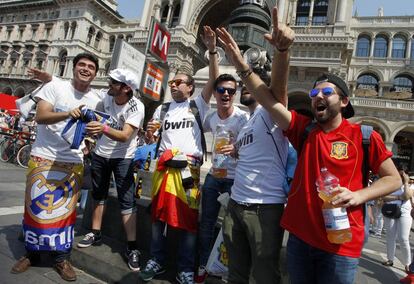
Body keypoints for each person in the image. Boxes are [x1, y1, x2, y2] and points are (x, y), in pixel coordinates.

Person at [217, 6, 402, 284]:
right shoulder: (304, 130)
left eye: (327, 91)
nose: (318, 95)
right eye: (315, 92)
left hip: (341, 245)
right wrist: (242, 66)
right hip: (300, 239)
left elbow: (393, 179)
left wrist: (359, 195)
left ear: (343, 101)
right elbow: (269, 99)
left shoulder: (364, 136)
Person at [11, 52, 104, 281]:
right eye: (81, 64)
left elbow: (97, 128)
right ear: (74, 67)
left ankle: (61, 258)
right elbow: (41, 116)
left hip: (73, 161)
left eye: (90, 67)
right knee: (35, 208)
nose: (85, 69)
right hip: (44, 156)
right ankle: (31, 254)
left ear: (95, 73)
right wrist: (67, 113)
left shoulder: (97, 99)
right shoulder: (54, 86)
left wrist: (92, 139)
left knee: (65, 212)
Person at [139, 26, 218, 284]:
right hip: (162, 170)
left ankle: (185, 267)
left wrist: (212, 51)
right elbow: (152, 137)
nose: (173, 85)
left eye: (178, 82)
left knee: (187, 221)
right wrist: (150, 135)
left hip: (188, 173)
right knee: (157, 218)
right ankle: (156, 259)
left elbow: (214, 79)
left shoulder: (198, 105)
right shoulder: (162, 110)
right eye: (171, 83)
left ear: (191, 87)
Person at [214, 42, 289, 284]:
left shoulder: (272, 111)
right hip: (236, 205)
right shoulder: (248, 122)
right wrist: (236, 150)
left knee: (265, 275)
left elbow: (279, 85)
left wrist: (281, 50)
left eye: (252, 83)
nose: (245, 87)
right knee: (235, 273)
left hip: (264, 208)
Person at [76, 68, 145, 272]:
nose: (109, 84)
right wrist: (90, 137)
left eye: (113, 82)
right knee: (98, 195)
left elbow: (125, 135)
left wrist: (103, 128)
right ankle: (95, 233)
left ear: (125, 88)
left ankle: (132, 247)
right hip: (100, 154)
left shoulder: (136, 106)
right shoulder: (106, 97)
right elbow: (95, 116)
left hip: (123, 157)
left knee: (127, 200)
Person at [195, 74, 248, 283]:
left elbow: (252, 145)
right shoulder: (211, 117)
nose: (226, 94)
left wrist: (237, 148)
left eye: (231, 91)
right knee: (206, 223)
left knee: (233, 228)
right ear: (215, 93)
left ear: (235, 95)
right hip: (215, 175)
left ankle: (227, 269)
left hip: (235, 178)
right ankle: (204, 264)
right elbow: (196, 128)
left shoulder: (243, 117)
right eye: (222, 90)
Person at [381, 168, 413, 272]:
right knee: (390, 236)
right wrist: (399, 197)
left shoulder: (411, 185)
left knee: (403, 238)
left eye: (402, 174)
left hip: (404, 212)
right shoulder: (392, 185)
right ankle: (390, 259)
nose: (399, 176)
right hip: (390, 210)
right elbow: (384, 197)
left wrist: (406, 182)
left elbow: (407, 195)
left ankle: (408, 263)